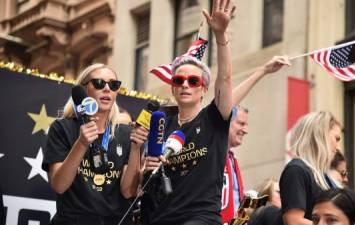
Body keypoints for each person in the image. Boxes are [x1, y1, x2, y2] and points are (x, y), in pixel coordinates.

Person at [139, 0, 235, 224]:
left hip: (200, 218)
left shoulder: (214, 118)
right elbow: (142, 183)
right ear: (172, 87)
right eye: (178, 80)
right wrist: (145, 168)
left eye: (193, 81)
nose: (185, 85)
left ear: (203, 89)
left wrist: (220, 36)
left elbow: (226, 78)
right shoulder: (163, 126)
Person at [42, 63, 143, 225]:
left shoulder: (126, 133)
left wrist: (136, 149)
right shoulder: (62, 128)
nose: (107, 89)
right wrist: (81, 144)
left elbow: (128, 191)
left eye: (114, 85)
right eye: (99, 83)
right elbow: (59, 185)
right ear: (83, 90)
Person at [221, 55, 290, 224]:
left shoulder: (231, 158)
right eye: (241, 123)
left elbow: (238, 204)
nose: (246, 130)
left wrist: (259, 202)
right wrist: (264, 70)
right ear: (226, 121)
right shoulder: (211, 152)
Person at [278, 111, 342, 225]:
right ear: (320, 134)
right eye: (336, 139)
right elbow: (294, 221)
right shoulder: (296, 170)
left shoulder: (321, 175)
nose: (338, 148)